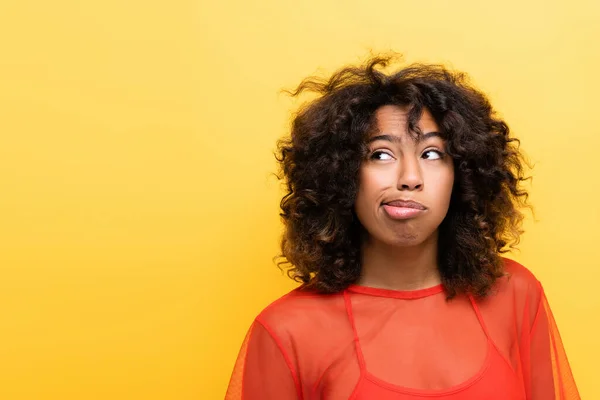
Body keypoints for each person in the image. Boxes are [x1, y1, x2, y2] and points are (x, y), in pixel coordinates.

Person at [225, 55, 580, 399]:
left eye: (431, 154)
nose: (410, 178)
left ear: (461, 175)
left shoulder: (515, 295)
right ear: (343, 175)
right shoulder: (286, 331)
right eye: (381, 154)